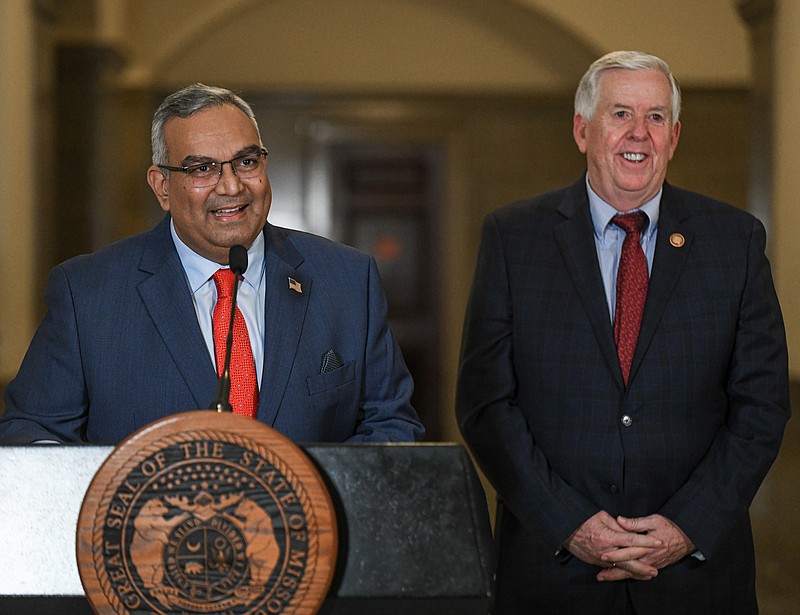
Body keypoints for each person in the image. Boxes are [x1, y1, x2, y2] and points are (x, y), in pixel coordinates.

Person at [456, 51, 789, 615]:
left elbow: (762, 405)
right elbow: (486, 404)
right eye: (621, 114)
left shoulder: (736, 242)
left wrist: (687, 526)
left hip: (697, 580)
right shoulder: (515, 238)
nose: (640, 133)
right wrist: (569, 524)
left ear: (675, 135)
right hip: (552, 573)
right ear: (583, 130)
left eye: (656, 117)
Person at [0, 84, 424, 444]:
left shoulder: (347, 281)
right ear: (162, 187)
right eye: (202, 168)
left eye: (246, 161)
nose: (232, 185)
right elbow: (33, 434)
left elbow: (392, 426)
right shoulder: (88, 293)